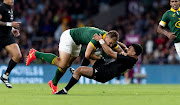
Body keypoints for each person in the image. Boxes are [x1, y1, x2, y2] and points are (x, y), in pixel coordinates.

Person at [26, 27, 123, 94]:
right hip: (69, 37)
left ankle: (53, 83)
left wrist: (126, 52)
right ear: (106, 38)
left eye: (111, 44)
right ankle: (35, 53)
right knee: (62, 63)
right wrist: (98, 57)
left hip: (77, 43)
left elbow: (118, 48)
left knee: (67, 64)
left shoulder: (107, 37)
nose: (110, 45)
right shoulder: (96, 38)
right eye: (110, 43)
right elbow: (87, 55)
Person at [54, 33, 143, 95]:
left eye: (130, 49)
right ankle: (79, 73)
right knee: (91, 53)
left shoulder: (128, 59)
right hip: (105, 67)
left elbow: (110, 53)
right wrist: (118, 44)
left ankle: (65, 90)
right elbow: (125, 49)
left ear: (134, 53)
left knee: (79, 70)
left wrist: (101, 40)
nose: (128, 49)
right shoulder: (132, 58)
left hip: (103, 74)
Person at [0, 0, 22, 88]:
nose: (12, 0)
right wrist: (10, 24)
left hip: (7, 37)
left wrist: (12, 29)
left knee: (17, 55)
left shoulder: (10, 9)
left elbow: (7, 23)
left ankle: (5, 76)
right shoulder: (1, 8)